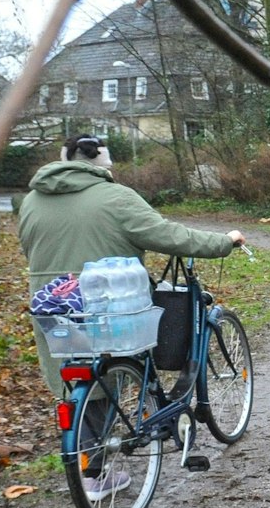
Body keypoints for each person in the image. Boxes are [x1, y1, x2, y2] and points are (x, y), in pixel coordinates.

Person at [18, 133, 246, 402]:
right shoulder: (117, 197)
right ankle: (111, 433)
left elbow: (28, 249)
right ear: (105, 165)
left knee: (73, 378)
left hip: (51, 307)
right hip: (104, 307)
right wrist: (224, 242)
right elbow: (169, 236)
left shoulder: (31, 201)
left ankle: (83, 434)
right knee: (112, 370)